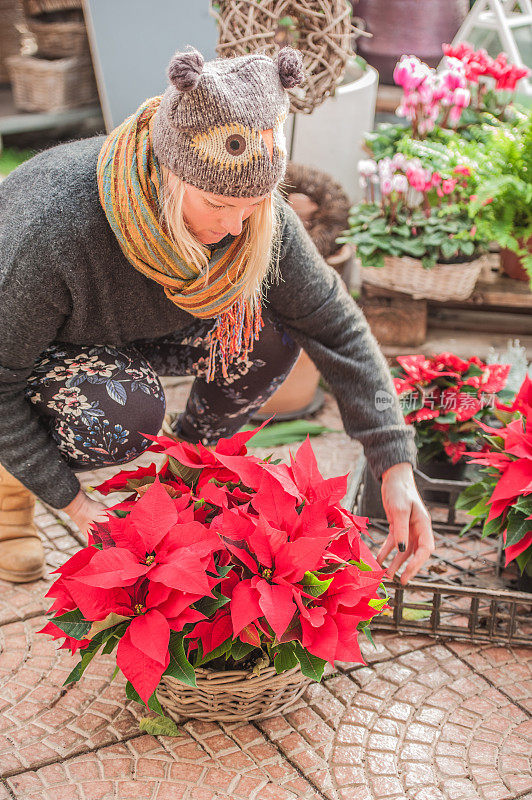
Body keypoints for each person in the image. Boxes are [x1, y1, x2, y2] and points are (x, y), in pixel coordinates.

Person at [0, 45, 434, 585]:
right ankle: (12, 489)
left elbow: (334, 325)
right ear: (169, 176)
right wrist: (78, 507)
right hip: (34, 346)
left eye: (252, 206)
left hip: (141, 326)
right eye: (218, 206)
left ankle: (185, 475)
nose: (235, 228)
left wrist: (394, 466)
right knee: (123, 414)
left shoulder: (250, 211)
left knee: (271, 331)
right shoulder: (52, 229)